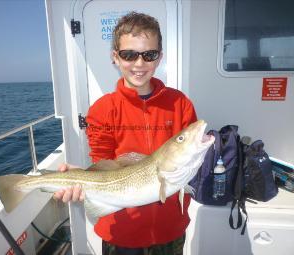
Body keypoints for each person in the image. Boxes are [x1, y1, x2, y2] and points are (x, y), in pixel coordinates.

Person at [54, 12, 197, 255]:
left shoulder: (180, 103)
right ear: (116, 58)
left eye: (148, 55)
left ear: (159, 57)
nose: (139, 64)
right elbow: (103, 165)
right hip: (121, 231)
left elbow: (191, 157)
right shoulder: (102, 110)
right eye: (129, 55)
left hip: (170, 230)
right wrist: (78, 181)